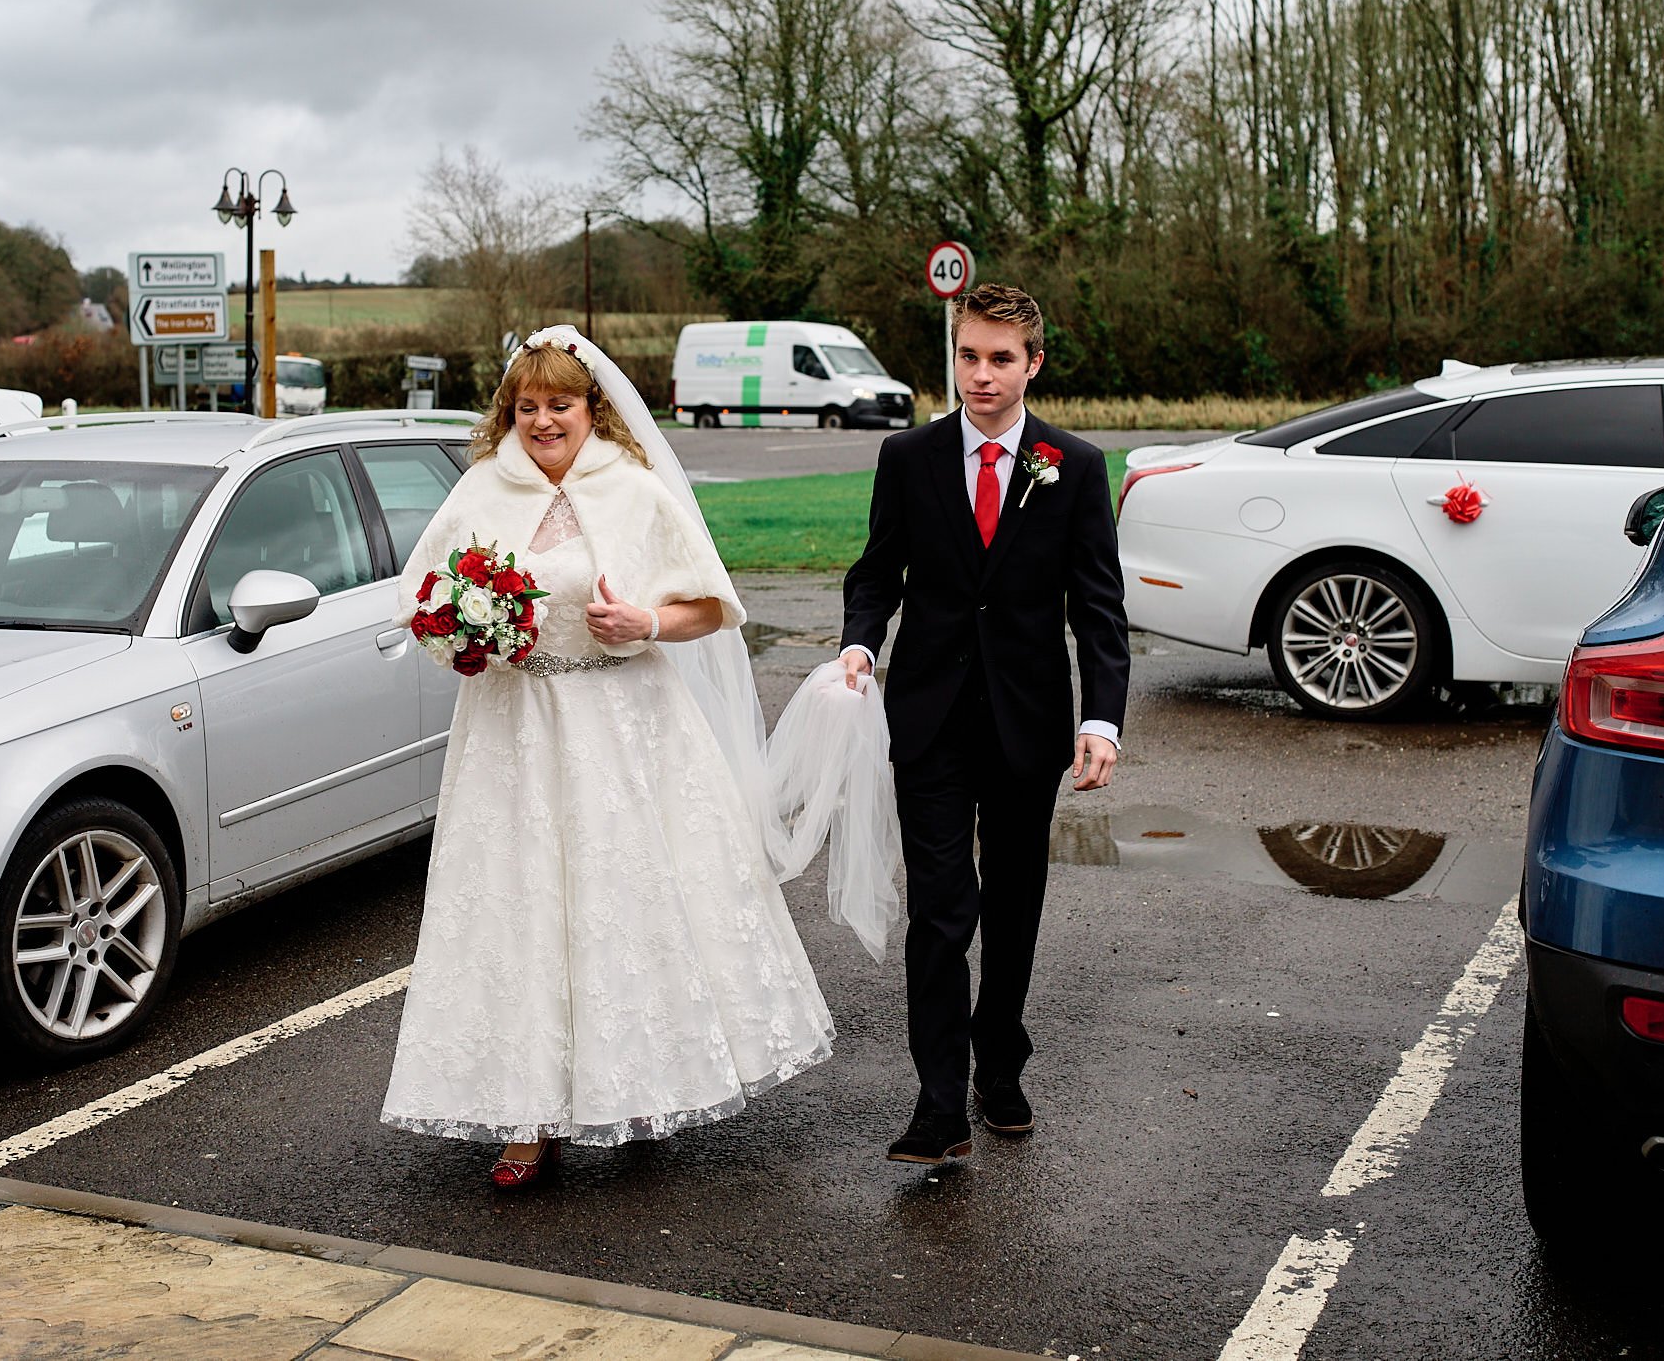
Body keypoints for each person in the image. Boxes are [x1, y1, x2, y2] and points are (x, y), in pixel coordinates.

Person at [381, 327, 834, 1186]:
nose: (544, 420)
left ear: (594, 410)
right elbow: (422, 595)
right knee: (516, 912)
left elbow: (713, 605)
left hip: (626, 726)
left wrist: (647, 624)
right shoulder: (482, 490)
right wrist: (464, 631)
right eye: (528, 406)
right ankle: (525, 1117)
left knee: (627, 905)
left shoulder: (635, 492)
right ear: (507, 414)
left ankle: (643, 1081)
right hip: (511, 731)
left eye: (561, 403)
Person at [838, 283, 1130, 1164]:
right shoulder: (908, 456)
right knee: (939, 911)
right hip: (926, 718)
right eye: (969, 354)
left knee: (1012, 904)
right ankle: (938, 1103)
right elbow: (876, 571)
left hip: (1027, 722)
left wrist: (1102, 719)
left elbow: (1100, 609)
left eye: (1001, 358)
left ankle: (999, 1058)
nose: (982, 373)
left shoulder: (1072, 466)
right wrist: (858, 642)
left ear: (1033, 363)